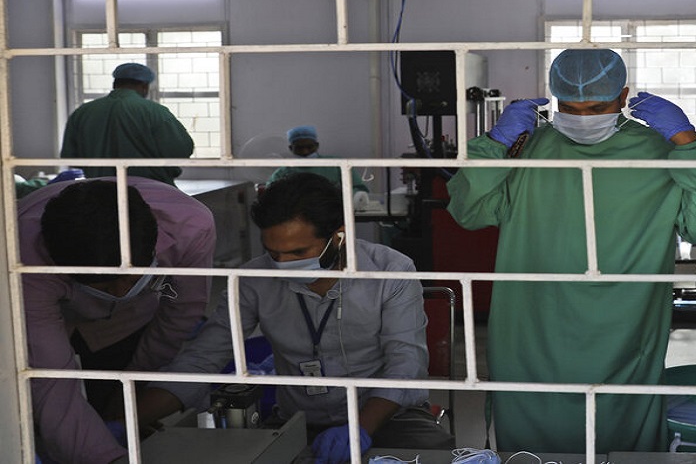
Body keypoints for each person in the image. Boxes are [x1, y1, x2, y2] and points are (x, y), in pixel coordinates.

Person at [446, 48, 696, 453]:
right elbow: (468, 211)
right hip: (532, 329)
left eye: (598, 107)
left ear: (624, 98)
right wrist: (493, 145)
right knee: (532, 445)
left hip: (625, 328)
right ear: (553, 99)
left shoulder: (661, 152)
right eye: (570, 107)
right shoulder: (526, 149)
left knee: (620, 436)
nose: (584, 118)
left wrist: (688, 142)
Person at [134, 173, 452, 464]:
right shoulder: (252, 279)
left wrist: (359, 429)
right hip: (296, 419)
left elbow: (405, 362)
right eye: (274, 253)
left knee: (435, 455)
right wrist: (124, 425)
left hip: (387, 416)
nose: (282, 265)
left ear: (339, 237)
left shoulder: (390, 271)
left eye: (298, 253)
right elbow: (204, 357)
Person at [19, 177, 216, 464]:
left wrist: (135, 379)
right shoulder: (24, 255)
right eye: (106, 288)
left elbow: (180, 311)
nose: (122, 294)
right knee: (52, 416)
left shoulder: (191, 225)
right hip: (56, 319)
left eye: (131, 279)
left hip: (132, 323)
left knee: (110, 403)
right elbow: (52, 382)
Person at [60, 62, 195, 186]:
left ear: (115, 84)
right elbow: (181, 150)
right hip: (150, 190)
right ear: (144, 86)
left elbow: (71, 158)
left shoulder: (83, 112)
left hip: (98, 191)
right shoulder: (155, 111)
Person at [266, 125, 370, 199]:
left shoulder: (336, 165)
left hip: (333, 215)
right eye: (299, 148)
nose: (305, 151)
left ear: (317, 145)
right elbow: (271, 194)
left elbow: (358, 189)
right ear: (290, 148)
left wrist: (348, 196)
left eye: (309, 147)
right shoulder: (283, 172)